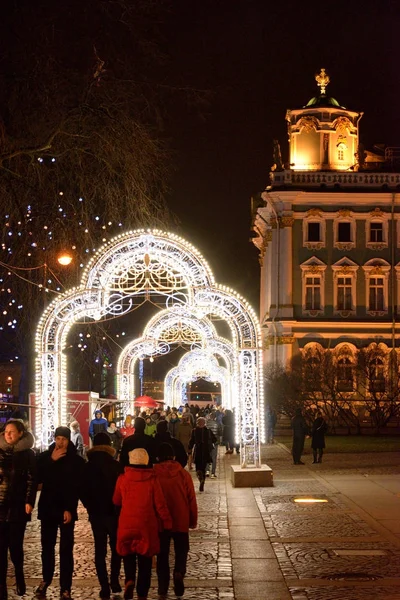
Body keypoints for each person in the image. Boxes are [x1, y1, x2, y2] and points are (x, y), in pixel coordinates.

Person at [113, 448, 172, 600]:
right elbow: (160, 504)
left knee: (128, 555)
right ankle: (142, 593)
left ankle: (129, 580)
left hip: (127, 522)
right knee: (145, 561)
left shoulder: (123, 478)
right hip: (146, 524)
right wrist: (167, 521)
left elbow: (116, 500)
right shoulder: (152, 480)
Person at [35, 426, 85, 599]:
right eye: (58, 438)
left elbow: (75, 488)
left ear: (69, 440)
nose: (60, 441)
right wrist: (51, 461)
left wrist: (70, 509)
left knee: (66, 550)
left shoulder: (76, 461)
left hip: (66, 511)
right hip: (48, 509)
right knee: (46, 547)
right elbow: (37, 478)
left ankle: (66, 587)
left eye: (63, 438)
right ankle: (46, 579)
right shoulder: (45, 457)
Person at [80, 432, 124, 599]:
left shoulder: (87, 466)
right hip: (114, 513)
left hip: (96, 514)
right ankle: (114, 581)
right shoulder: (116, 466)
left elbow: (81, 490)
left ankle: (104, 585)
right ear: (108, 445)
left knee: (100, 551)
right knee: (116, 549)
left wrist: (89, 506)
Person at [154, 443, 197, 600]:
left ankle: (162, 586)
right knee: (181, 551)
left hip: (160, 521)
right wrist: (192, 520)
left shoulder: (154, 474)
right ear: (173, 457)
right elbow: (191, 498)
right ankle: (179, 571)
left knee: (162, 554)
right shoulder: (183, 474)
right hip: (181, 518)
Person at [0, 419, 37, 600]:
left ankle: (20, 576)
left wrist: (29, 501)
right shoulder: (0, 452)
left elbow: (31, 479)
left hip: (17, 506)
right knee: (0, 548)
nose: (8, 435)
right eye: (6, 431)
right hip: (0, 505)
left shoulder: (27, 454)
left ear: (20, 433)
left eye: (12, 431)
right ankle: (1, 587)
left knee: (15, 546)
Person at [188, 417, 216, 492]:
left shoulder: (194, 431)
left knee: (198, 468)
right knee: (203, 468)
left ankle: (200, 479)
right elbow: (214, 439)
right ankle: (202, 481)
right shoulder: (208, 431)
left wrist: (189, 448)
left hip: (198, 451)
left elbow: (191, 441)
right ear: (204, 423)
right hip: (206, 452)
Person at [205, 411, 221, 478]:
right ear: (215, 417)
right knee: (214, 458)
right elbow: (220, 433)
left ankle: (207, 471)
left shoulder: (206, 424)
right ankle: (213, 473)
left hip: (207, 443)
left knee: (207, 456)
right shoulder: (217, 424)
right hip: (215, 443)